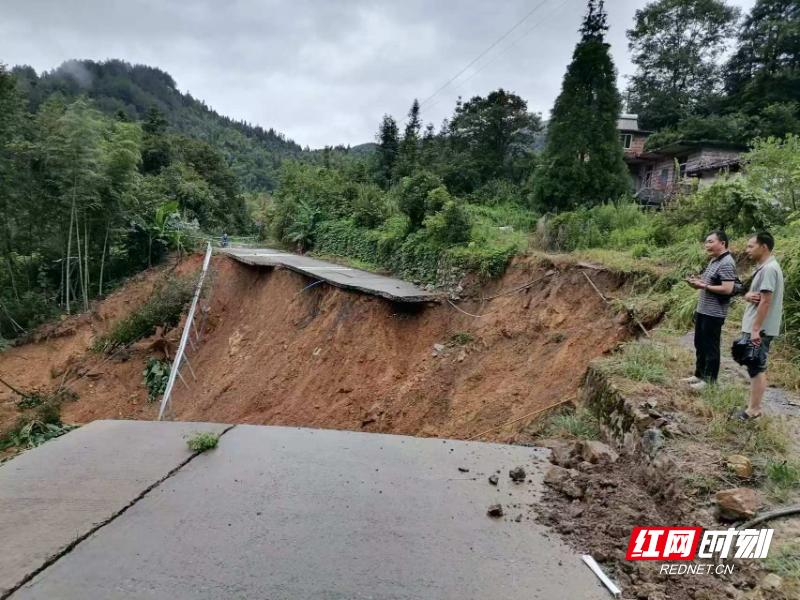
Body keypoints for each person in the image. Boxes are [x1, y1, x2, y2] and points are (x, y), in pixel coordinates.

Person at [735, 232, 784, 420]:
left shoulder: (769, 269)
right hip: (757, 327)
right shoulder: (765, 268)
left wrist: (755, 329)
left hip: (760, 329)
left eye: (750, 246)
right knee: (754, 365)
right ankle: (753, 407)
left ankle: (753, 409)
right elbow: (757, 297)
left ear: (763, 247)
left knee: (757, 366)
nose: (747, 250)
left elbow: (765, 301)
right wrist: (747, 295)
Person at [682, 231, 738, 391]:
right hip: (704, 309)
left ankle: (710, 380)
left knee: (710, 345)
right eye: (706, 242)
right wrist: (698, 282)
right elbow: (710, 283)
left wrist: (703, 286)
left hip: (714, 312)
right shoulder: (714, 260)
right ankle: (699, 374)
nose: (707, 245)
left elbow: (727, 289)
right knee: (699, 342)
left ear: (722, 243)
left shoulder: (727, 263)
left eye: (710, 241)